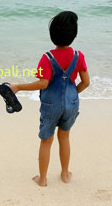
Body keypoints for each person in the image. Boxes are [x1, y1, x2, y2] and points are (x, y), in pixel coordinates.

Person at [9, 11, 90, 186]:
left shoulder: (46, 58)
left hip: (50, 105)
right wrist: (72, 94)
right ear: (74, 35)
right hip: (71, 103)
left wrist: (18, 87)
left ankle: (43, 179)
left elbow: (43, 83)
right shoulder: (79, 56)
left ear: (52, 35)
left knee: (46, 140)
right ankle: (65, 174)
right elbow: (85, 82)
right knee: (65, 137)